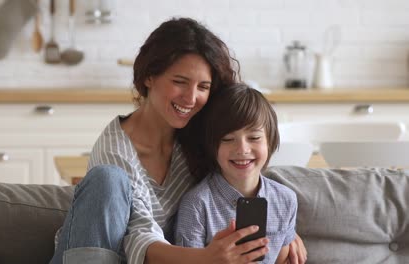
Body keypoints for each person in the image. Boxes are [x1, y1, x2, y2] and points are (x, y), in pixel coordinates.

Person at [50, 17, 306, 264]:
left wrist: (282, 229)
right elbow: (141, 234)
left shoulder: (201, 136)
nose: (191, 98)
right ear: (149, 76)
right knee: (107, 178)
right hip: (95, 255)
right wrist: (206, 259)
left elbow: (246, 169)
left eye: (203, 87)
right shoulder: (116, 151)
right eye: (179, 82)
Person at [175, 83, 298, 263]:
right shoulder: (196, 204)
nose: (242, 149)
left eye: (254, 138)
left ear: (270, 141)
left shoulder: (286, 200)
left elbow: (281, 258)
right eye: (227, 139)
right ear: (212, 146)